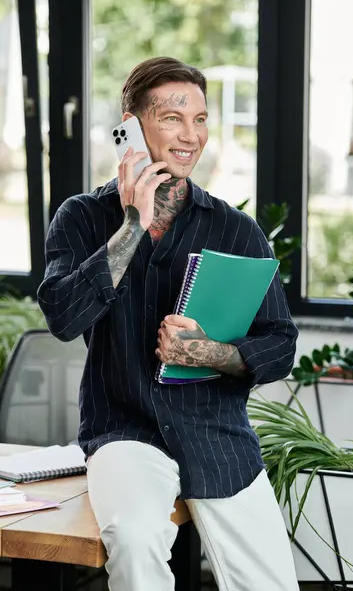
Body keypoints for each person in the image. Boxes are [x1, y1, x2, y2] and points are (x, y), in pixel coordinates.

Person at [38, 56, 299, 591]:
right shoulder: (82, 218)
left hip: (217, 436)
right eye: (172, 118)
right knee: (133, 540)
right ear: (130, 126)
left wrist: (208, 353)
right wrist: (133, 225)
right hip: (124, 431)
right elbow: (64, 317)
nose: (191, 135)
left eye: (200, 119)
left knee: (270, 583)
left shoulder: (236, 230)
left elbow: (281, 343)